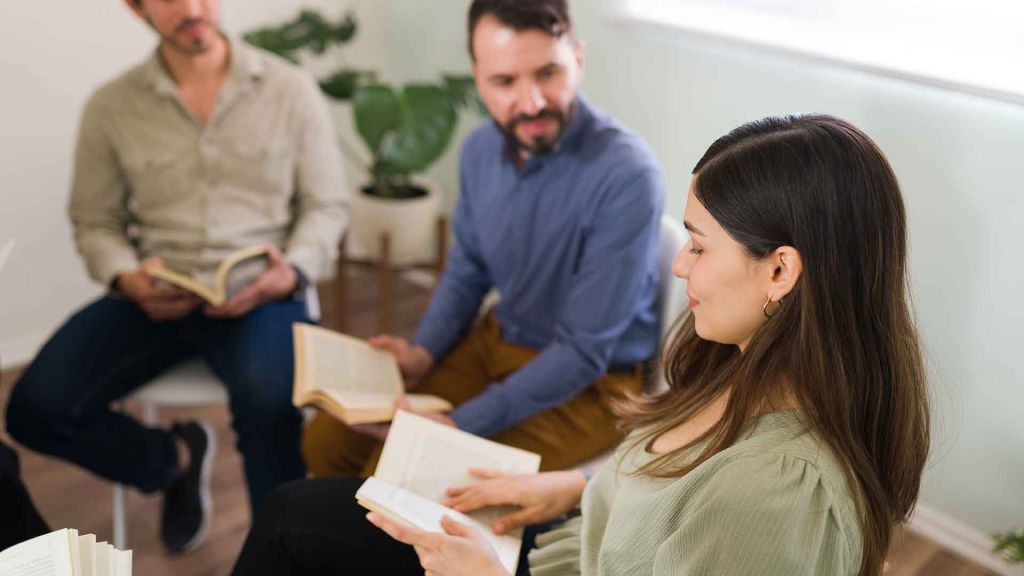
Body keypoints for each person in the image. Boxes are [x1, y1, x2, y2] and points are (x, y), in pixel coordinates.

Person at [229, 114, 931, 576]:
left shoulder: (771, 496)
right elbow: (673, 496)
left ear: (780, 270)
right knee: (299, 510)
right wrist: (568, 488)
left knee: (298, 528)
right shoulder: (744, 362)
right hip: (567, 546)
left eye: (696, 244)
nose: (679, 266)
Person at [4, 0, 346, 554]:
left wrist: (295, 271)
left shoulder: (291, 89)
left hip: (262, 291)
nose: (191, 8)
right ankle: (174, 459)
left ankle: (282, 559)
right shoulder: (111, 107)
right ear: (135, 7)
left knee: (270, 404)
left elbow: (327, 206)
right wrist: (124, 276)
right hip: (155, 295)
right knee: (35, 409)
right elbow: (96, 221)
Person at [302, 0, 664, 477]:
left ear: (577, 58)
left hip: (591, 386)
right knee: (326, 440)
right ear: (478, 78)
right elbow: (467, 271)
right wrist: (422, 352)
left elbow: (582, 351)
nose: (531, 102)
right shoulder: (479, 152)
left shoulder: (627, 175)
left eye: (548, 73)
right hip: (497, 340)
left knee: (399, 469)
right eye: (505, 82)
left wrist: (457, 422)